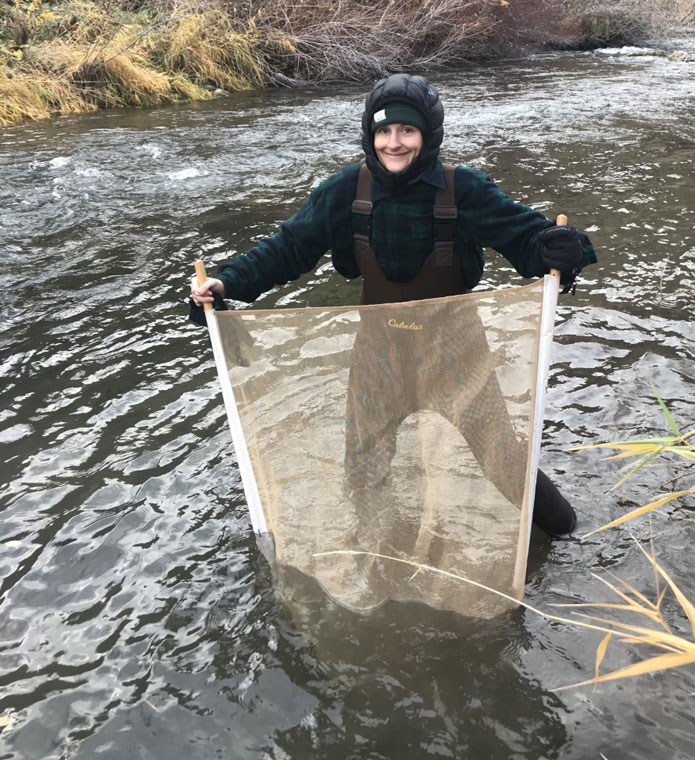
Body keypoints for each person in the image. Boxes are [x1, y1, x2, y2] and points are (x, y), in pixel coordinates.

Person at [191, 73, 597, 537]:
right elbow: (288, 248)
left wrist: (561, 248)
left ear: (428, 135)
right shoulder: (345, 191)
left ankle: (570, 534)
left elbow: (528, 239)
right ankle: (389, 553)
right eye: (384, 131)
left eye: (407, 130)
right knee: (363, 467)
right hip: (378, 352)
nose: (394, 142)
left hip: (456, 352)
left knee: (501, 456)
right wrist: (225, 284)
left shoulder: (463, 189)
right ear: (371, 135)